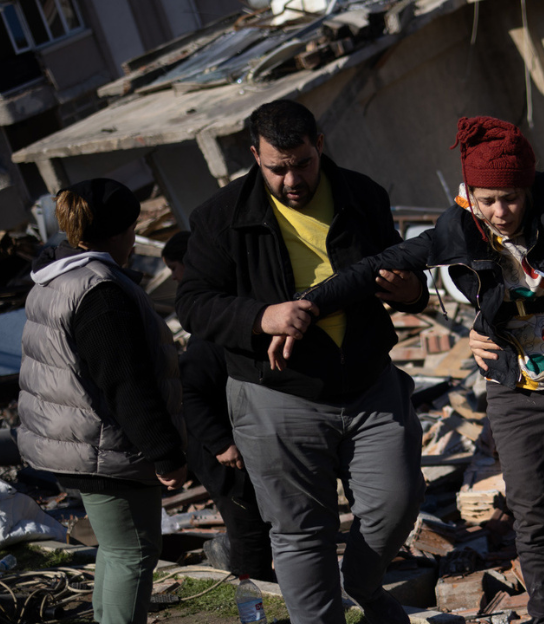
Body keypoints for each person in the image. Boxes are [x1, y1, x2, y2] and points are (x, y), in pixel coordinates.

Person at [289, 118, 544, 623]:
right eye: (487, 199)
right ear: (470, 194)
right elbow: (374, 266)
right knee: (532, 512)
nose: (500, 212)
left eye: (512, 198)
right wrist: (306, 305)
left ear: (529, 187)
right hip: (511, 381)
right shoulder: (458, 225)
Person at [174, 99, 427, 624]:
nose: (292, 180)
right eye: (277, 168)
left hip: (368, 385)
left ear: (320, 145)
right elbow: (192, 303)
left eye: (302, 163)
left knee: (397, 501)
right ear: (255, 156)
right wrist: (261, 316)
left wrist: (407, 291)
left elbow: (403, 274)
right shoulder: (220, 218)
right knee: (300, 533)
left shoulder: (363, 195)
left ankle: (360, 583)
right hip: (276, 398)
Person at [17, 178, 187, 624]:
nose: (134, 239)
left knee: (117, 550)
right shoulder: (101, 291)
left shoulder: (55, 278)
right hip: (105, 444)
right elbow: (125, 382)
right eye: (131, 229)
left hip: (76, 441)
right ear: (115, 232)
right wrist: (166, 452)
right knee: (134, 551)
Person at [162, 231, 274, 581]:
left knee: (260, 521)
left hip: (241, 443)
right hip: (221, 453)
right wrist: (221, 443)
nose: (175, 277)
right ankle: (251, 589)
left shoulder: (226, 321)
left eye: (175, 268)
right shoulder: (208, 338)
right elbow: (189, 393)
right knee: (247, 526)